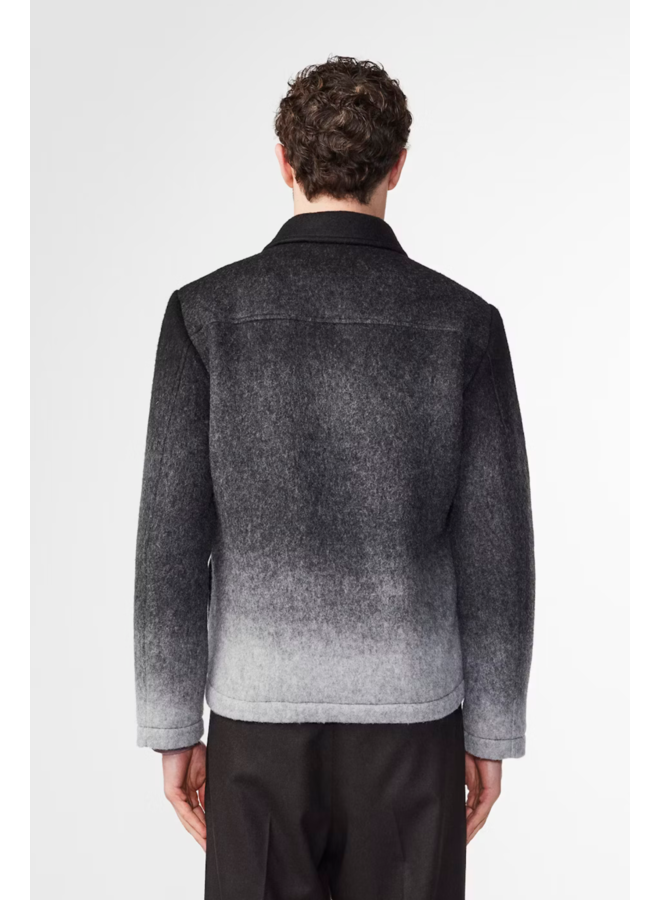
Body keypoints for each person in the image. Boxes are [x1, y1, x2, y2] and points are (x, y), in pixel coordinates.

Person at [134, 56, 535, 900]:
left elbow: (170, 541)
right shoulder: (464, 324)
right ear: (399, 166)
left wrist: (172, 723)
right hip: (414, 720)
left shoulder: (204, 315)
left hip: (257, 720)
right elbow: (496, 547)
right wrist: (493, 725)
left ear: (284, 161)